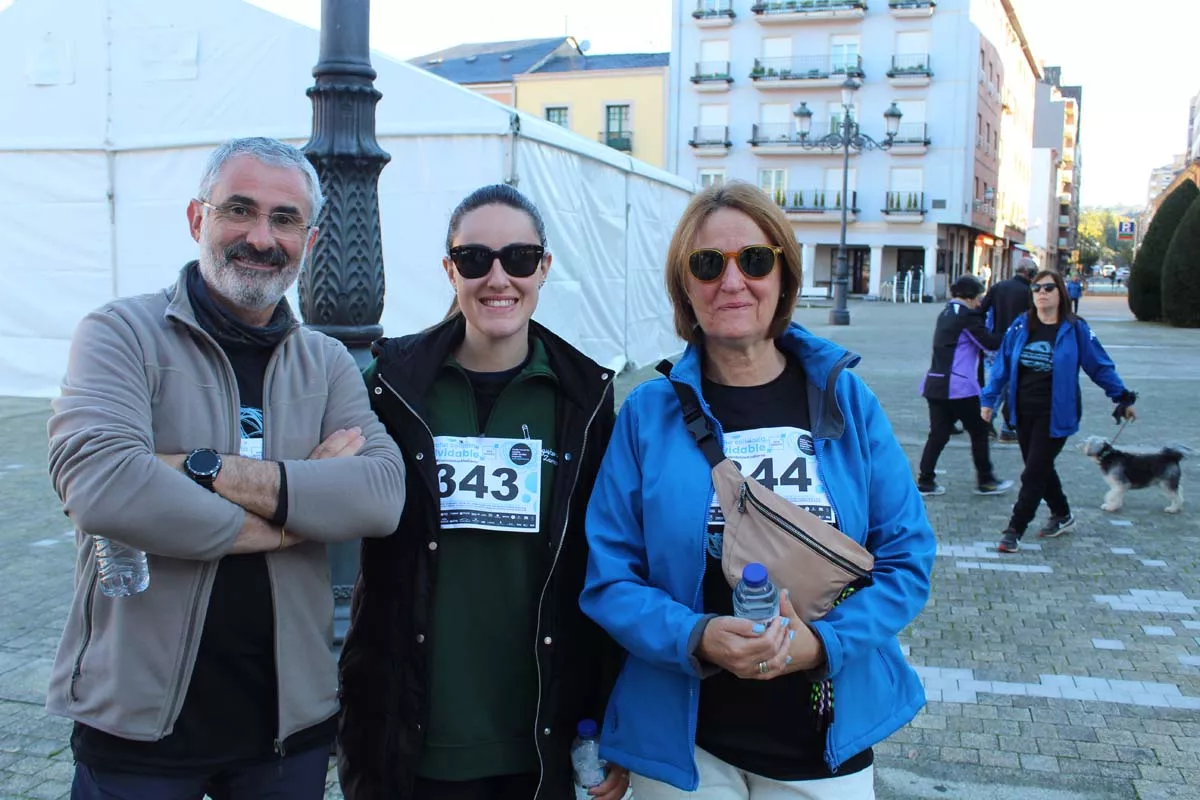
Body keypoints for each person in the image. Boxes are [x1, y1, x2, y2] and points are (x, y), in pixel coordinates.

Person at [46, 137, 407, 799]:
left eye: (285, 218)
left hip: (286, 729)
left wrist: (195, 467)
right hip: (136, 725)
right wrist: (298, 502)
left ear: (311, 238)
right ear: (197, 219)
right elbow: (104, 485)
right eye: (239, 210)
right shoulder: (120, 334)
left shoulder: (326, 363)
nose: (261, 237)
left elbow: (380, 496)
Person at [580, 182, 936, 799]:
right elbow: (610, 578)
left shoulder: (846, 402)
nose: (733, 280)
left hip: (822, 740)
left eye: (755, 259)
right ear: (685, 288)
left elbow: (907, 561)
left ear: (784, 274)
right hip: (688, 746)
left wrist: (823, 643)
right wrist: (695, 636)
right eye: (708, 264)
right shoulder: (646, 415)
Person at [338, 184, 629, 800]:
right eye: (475, 259)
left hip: (536, 733)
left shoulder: (586, 396)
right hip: (413, 728)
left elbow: (609, 562)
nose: (498, 277)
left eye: (519, 258)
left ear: (544, 268)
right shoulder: (390, 386)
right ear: (450, 269)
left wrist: (611, 716)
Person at [981, 270, 1138, 554]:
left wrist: (1122, 397)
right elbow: (1001, 367)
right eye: (1036, 288)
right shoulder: (1020, 326)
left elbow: (1099, 366)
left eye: (1048, 288)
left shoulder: (1075, 328)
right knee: (1040, 468)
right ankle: (1063, 514)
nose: (1041, 293)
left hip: (1056, 414)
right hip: (1022, 413)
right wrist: (988, 400)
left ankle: (1014, 529)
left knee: (1033, 473)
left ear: (1060, 293)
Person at [917, 274, 1013, 497]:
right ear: (969, 297)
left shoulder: (946, 313)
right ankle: (986, 480)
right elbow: (989, 344)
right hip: (958, 386)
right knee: (979, 431)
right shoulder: (967, 317)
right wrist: (1011, 332)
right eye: (979, 297)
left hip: (935, 383)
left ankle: (925, 480)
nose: (980, 302)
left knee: (938, 434)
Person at [979, 257, 1037, 442]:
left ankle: (987, 421)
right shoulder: (1029, 292)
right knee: (1013, 387)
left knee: (996, 383)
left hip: (996, 344)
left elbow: (981, 310)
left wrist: (986, 337)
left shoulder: (998, 287)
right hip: (1020, 344)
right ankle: (1008, 427)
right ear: (1029, 273)